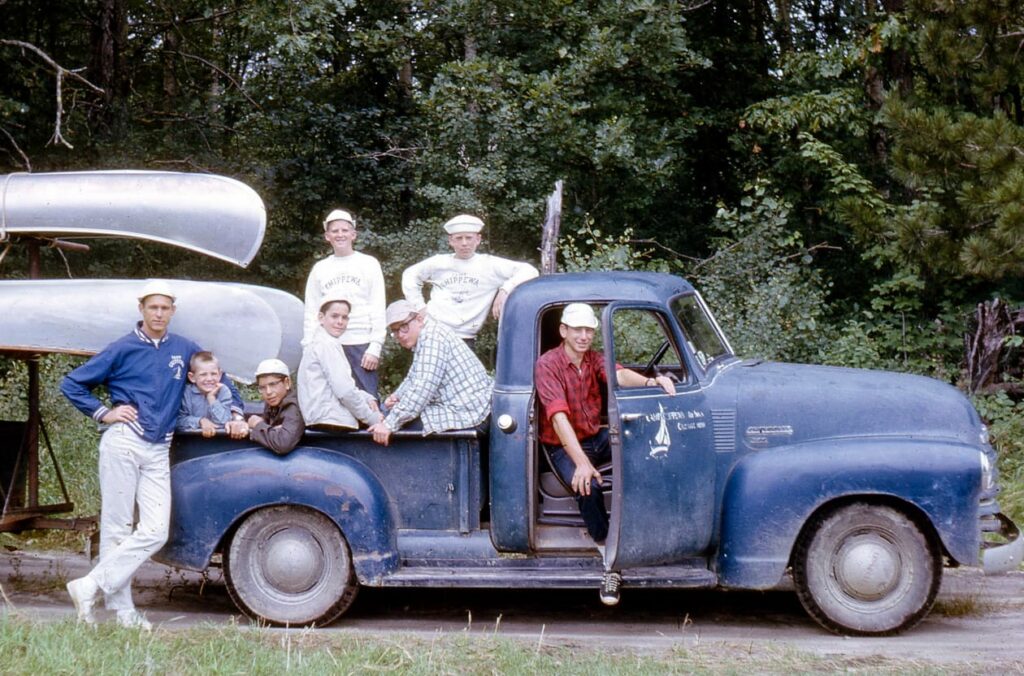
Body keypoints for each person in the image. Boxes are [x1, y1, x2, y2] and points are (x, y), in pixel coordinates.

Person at [61, 280, 247, 630]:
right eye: (153, 307)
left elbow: (217, 378)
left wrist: (235, 412)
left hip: (159, 447)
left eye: (165, 308)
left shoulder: (184, 347)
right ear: (142, 309)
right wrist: (104, 412)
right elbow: (72, 384)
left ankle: (88, 586)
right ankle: (122, 612)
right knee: (117, 528)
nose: (159, 313)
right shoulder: (122, 348)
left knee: (155, 530)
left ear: (172, 312)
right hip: (124, 441)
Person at [534, 303, 675, 606]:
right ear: (564, 331)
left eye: (588, 330)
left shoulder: (594, 359)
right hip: (561, 444)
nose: (584, 336)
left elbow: (620, 375)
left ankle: (651, 533)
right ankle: (609, 558)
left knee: (644, 446)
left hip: (593, 437)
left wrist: (652, 382)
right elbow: (558, 419)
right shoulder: (548, 364)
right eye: (577, 330)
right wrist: (582, 464)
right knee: (589, 486)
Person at [401, 214, 538, 348]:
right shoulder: (439, 262)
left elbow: (530, 270)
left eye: (469, 238)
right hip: (433, 332)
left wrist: (504, 290)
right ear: (451, 241)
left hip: (465, 338)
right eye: (459, 238)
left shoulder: (489, 264)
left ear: (478, 239)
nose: (464, 243)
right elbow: (409, 275)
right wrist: (420, 307)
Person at [367, 299, 492, 446]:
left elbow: (422, 389)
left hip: (468, 412)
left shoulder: (433, 338)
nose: (400, 334)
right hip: (462, 406)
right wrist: (396, 396)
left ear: (419, 319)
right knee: (387, 413)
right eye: (395, 330)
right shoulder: (426, 337)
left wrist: (388, 425)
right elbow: (413, 378)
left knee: (392, 425)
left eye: (404, 326)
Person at [302, 208, 386, 397]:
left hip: (361, 344)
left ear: (353, 234)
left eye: (344, 230)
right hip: (328, 344)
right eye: (335, 231)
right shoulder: (320, 268)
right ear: (327, 236)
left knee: (367, 399)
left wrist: (375, 346)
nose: (340, 234)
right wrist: (309, 346)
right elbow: (311, 311)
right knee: (331, 399)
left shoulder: (369, 264)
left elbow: (378, 306)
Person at [298, 295, 383, 430]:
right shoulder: (326, 345)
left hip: (322, 418)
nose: (340, 322)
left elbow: (338, 387)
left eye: (344, 317)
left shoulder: (322, 342)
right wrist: (372, 419)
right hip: (330, 421)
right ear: (321, 317)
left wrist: (366, 397)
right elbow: (345, 392)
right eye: (335, 316)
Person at [247, 358, 305, 455]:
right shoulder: (274, 401)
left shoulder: (294, 406)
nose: (268, 392)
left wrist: (257, 425)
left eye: (273, 384)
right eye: (262, 387)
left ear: (287, 383)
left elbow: (283, 444)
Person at [176, 351, 233, 437]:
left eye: (213, 374)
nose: (209, 379)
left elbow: (223, 421)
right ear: (192, 377)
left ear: (220, 375)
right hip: (191, 439)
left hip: (220, 439)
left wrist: (212, 399)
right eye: (203, 374)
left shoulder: (224, 391)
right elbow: (178, 421)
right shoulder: (186, 393)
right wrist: (200, 421)